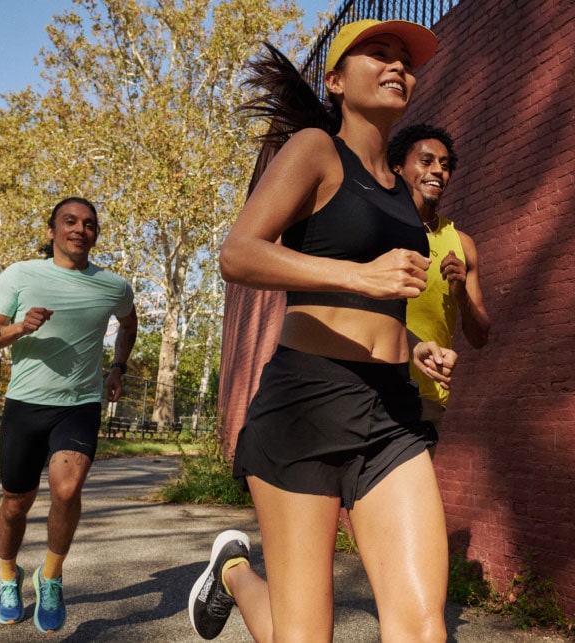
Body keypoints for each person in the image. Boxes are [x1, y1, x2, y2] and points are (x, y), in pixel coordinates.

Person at [188, 20, 457, 642]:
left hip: (389, 409)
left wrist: (417, 350)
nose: (397, 67)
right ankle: (231, 572)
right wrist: (361, 277)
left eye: (405, 61)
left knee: (423, 629)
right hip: (306, 403)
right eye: (378, 54)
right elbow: (239, 254)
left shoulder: (399, 190)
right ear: (335, 81)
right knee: (304, 636)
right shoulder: (315, 148)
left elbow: (379, 305)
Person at [0, 196, 138, 633]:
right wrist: (18, 328)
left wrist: (117, 367)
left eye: (89, 223)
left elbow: (129, 322)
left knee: (67, 489)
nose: (80, 229)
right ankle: (9, 576)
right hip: (25, 405)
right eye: (70, 221)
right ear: (51, 232)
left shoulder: (114, 286)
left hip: (80, 404)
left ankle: (51, 576)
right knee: (15, 504)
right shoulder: (21, 275)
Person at [388, 124, 490, 432]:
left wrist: (461, 294)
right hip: (373, 389)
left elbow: (480, 336)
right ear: (398, 168)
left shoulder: (462, 244)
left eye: (444, 165)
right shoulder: (380, 227)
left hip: (429, 398)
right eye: (426, 160)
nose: (437, 171)